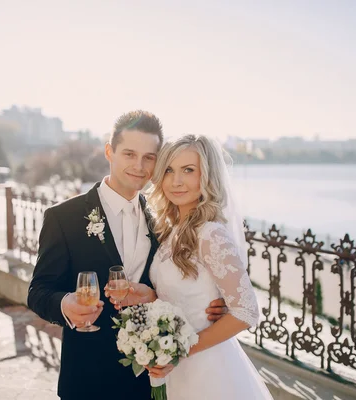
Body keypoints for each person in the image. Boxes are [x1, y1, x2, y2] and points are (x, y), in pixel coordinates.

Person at [27, 111, 227, 400]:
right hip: (88, 378)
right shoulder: (63, 217)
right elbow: (38, 291)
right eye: (130, 154)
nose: (139, 166)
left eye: (149, 157)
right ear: (110, 151)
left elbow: (174, 284)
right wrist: (65, 304)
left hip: (150, 378)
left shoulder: (163, 219)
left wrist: (210, 304)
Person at [108, 134, 272, 399]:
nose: (176, 181)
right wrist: (150, 296)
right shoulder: (174, 230)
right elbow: (185, 295)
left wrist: (181, 351)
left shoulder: (211, 234)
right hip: (175, 369)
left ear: (206, 177)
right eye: (170, 170)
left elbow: (246, 312)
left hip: (206, 369)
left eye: (188, 170)